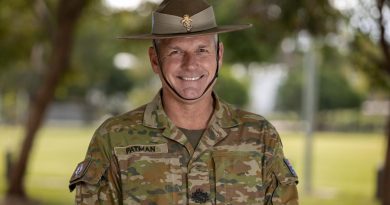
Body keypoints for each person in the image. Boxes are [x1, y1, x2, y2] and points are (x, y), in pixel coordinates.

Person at [69, 0, 299, 204]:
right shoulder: (113, 139)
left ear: (219, 55)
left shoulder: (261, 137)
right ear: (155, 60)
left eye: (201, 50)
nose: (190, 64)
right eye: (176, 51)